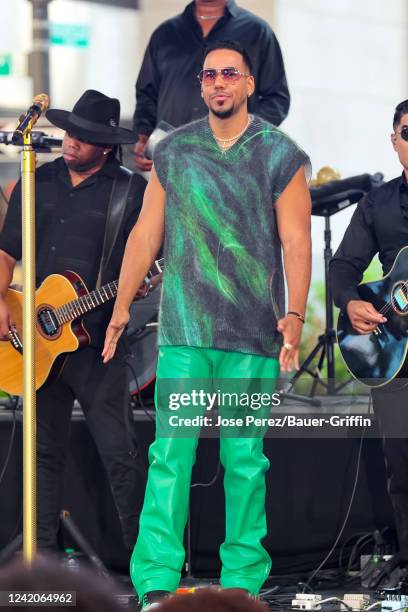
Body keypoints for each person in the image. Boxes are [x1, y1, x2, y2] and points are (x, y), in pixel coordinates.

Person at [103, 40, 311, 610]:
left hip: (252, 335)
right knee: (171, 457)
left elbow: (296, 239)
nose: (219, 83)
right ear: (201, 86)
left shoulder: (279, 151)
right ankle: (155, 584)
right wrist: (121, 306)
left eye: (230, 74)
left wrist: (294, 314)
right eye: (209, 75)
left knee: (244, 459)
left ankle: (242, 581)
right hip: (185, 335)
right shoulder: (176, 152)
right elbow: (147, 234)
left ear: (247, 84)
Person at [0, 90, 147, 558]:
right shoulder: (34, 180)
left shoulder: (131, 191)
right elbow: (6, 253)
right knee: (40, 457)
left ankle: (144, 567)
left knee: (119, 455)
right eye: (69, 132)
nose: (71, 142)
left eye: (84, 137)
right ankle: (39, 561)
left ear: (106, 145)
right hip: (36, 342)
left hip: (97, 342)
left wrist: (135, 284)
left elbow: (150, 258)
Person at [330, 99, 408, 581]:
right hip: (393, 354)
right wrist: (349, 303)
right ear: (395, 139)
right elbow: (343, 268)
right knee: (401, 465)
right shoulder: (376, 203)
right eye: (407, 131)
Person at [133, 0, 290, 171]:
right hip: (171, 162)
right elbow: (146, 93)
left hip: (233, 167)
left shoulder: (257, 31)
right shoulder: (164, 34)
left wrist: (247, 140)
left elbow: (276, 99)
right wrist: (144, 137)